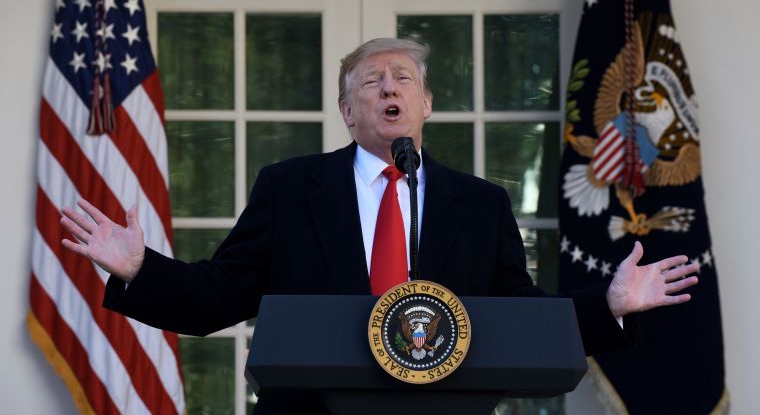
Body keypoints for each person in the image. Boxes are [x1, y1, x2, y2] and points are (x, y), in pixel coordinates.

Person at [60, 38, 699, 414]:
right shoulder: (289, 188)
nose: (388, 88)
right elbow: (219, 294)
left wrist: (607, 306)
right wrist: (141, 268)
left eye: (403, 79)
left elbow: (520, 315)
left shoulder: (479, 204)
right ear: (347, 109)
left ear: (425, 105)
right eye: (371, 81)